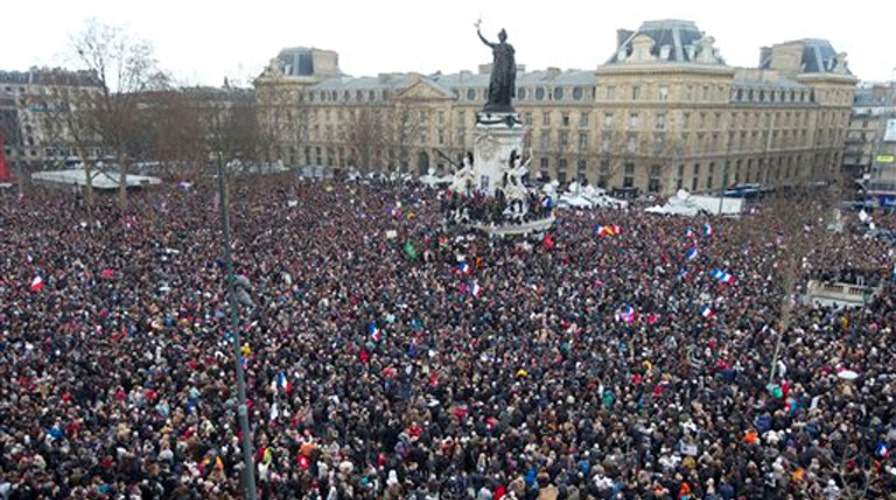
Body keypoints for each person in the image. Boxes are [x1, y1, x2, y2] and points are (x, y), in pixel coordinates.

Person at [476, 23, 516, 112]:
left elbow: (512, 60)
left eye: (501, 36)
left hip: (505, 69)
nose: (500, 37)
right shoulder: (496, 46)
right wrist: (479, 34)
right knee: (495, 84)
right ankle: (494, 101)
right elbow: (486, 42)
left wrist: (513, 71)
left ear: (504, 37)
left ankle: (503, 102)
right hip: (497, 68)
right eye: (499, 36)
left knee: (504, 85)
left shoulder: (509, 47)